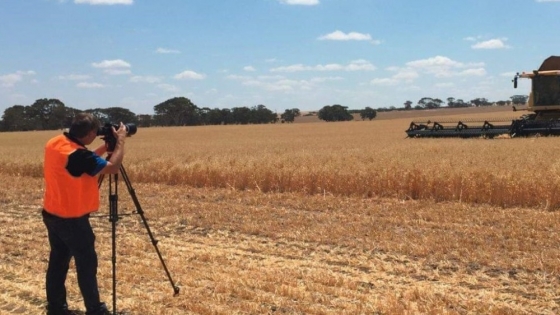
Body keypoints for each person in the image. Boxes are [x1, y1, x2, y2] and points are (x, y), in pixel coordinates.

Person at [42, 113, 127, 315]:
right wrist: (120, 141)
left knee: (58, 262)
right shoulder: (78, 155)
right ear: (89, 133)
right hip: (72, 219)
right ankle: (95, 310)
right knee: (87, 264)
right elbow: (112, 168)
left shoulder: (56, 142)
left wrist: (104, 148)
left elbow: (82, 161)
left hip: (53, 212)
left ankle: (56, 308)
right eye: (95, 133)